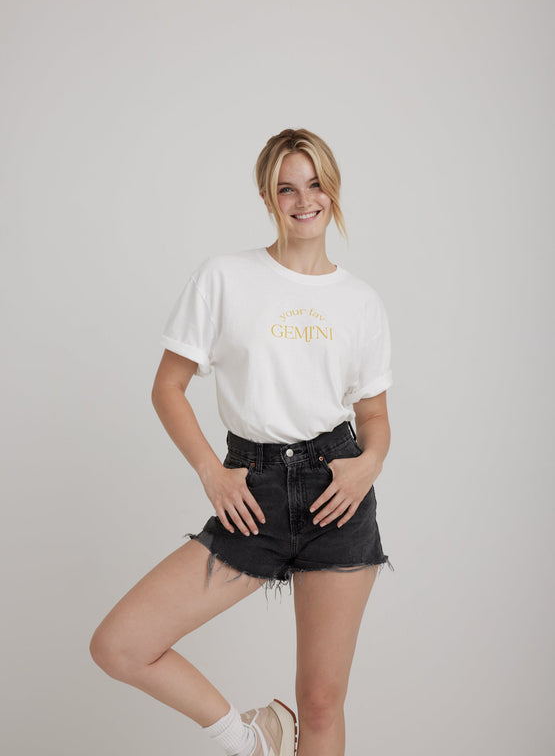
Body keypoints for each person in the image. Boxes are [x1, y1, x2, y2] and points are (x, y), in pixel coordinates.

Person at [89, 127, 394, 756]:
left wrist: (370, 464)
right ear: (266, 197)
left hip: (337, 495)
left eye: (315, 184)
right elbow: (168, 387)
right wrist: (211, 471)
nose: (304, 200)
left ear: (333, 190)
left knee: (321, 703)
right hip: (252, 494)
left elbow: (375, 416)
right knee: (120, 645)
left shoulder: (361, 302)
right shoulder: (225, 277)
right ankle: (252, 739)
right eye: (287, 188)